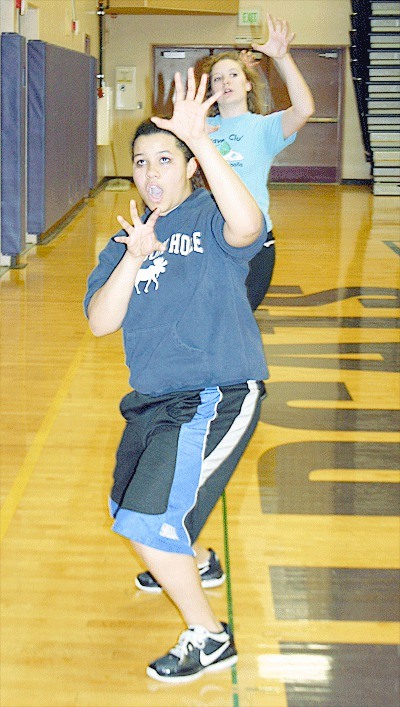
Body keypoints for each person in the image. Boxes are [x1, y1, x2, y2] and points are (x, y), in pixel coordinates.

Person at [84, 67, 269, 682]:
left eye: (167, 159)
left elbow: (250, 228)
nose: (152, 173)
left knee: (147, 522)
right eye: (141, 162)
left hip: (216, 392)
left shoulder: (208, 217)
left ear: (189, 168)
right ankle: (197, 556)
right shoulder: (126, 242)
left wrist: (203, 140)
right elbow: (100, 323)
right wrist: (133, 260)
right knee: (126, 505)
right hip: (155, 402)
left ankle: (210, 636)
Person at [135, 13, 315, 597]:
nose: (228, 82)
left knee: (216, 345)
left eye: (236, 74)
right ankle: (178, 535)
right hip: (201, 247)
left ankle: (176, 522)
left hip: (244, 248)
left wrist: (283, 56)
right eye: (219, 76)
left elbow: (305, 111)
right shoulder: (195, 134)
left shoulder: (261, 128)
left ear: (248, 82)